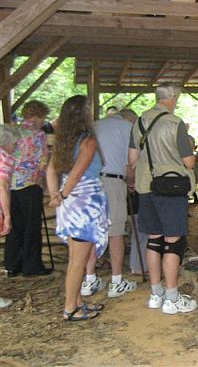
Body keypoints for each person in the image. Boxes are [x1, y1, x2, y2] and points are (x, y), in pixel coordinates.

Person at [129, 83, 197, 315]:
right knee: (173, 242)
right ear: (174, 98)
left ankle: (155, 293)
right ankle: (171, 296)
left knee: (154, 240)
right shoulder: (174, 123)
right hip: (170, 188)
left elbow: (132, 158)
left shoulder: (139, 121)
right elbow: (188, 162)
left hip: (145, 187)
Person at [47, 95, 109, 321]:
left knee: (77, 257)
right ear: (83, 114)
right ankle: (70, 308)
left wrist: (57, 194)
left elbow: (51, 171)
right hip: (85, 204)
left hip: (70, 203)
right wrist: (61, 194)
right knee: (78, 260)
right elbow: (78, 172)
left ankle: (78, 301)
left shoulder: (63, 141)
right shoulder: (88, 140)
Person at [81, 108, 138, 298]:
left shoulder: (95, 125)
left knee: (92, 232)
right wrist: (132, 182)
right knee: (116, 233)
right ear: (130, 118)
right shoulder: (129, 127)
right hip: (113, 181)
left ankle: (89, 280)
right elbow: (131, 161)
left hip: (89, 181)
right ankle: (116, 281)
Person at [4, 100, 52, 277]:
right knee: (32, 226)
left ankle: (12, 265)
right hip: (30, 184)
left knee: (15, 226)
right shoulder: (38, 135)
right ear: (38, 116)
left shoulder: (13, 131)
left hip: (10, 184)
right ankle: (32, 266)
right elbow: (43, 160)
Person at [0, 125, 20, 308]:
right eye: (15, 142)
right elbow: (3, 186)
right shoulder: (5, 158)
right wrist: (7, 215)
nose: (16, 146)